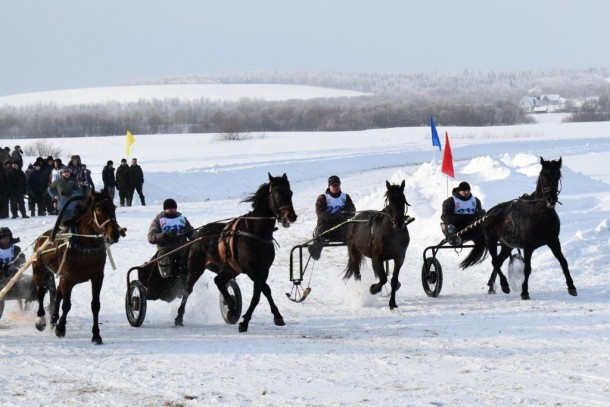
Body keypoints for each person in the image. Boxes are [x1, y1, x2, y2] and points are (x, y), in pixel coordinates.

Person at [308, 175, 356, 260]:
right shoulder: (323, 197)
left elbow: (352, 210)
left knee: (353, 231)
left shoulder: (345, 197)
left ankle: (355, 257)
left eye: (337, 185)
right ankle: (315, 251)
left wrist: (345, 214)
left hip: (341, 226)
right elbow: (320, 213)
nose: (336, 187)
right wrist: (336, 216)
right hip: (326, 225)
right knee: (321, 230)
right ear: (329, 186)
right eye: (333, 186)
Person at [147, 199, 194, 278]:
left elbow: (193, 235)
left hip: (183, 248)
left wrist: (190, 232)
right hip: (166, 249)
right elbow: (151, 237)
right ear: (165, 209)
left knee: (197, 253)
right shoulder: (158, 220)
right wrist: (164, 236)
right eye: (170, 208)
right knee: (164, 258)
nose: (173, 210)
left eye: (174, 208)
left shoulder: (182, 219)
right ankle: (166, 279)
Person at [441, 181, 485, 246]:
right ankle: (454, 239)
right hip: (457, 226)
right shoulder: (451, 201)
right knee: (449, 226)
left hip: (471, 225)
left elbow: (479, 212)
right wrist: (456, 219)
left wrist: (481, 215)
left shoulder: (475, 201)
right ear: (459, 191)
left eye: (468, 190)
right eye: (464, 191)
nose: (467, 192)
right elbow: (444, 216)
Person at [0, 227, 34, 301]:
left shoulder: (15, 249)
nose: (5, 240)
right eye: (3, 238)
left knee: (33, 282)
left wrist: (16, 266)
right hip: (1, 276)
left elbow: (22, 263)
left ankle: (27, 307)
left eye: (7, 237)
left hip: (13, 275)